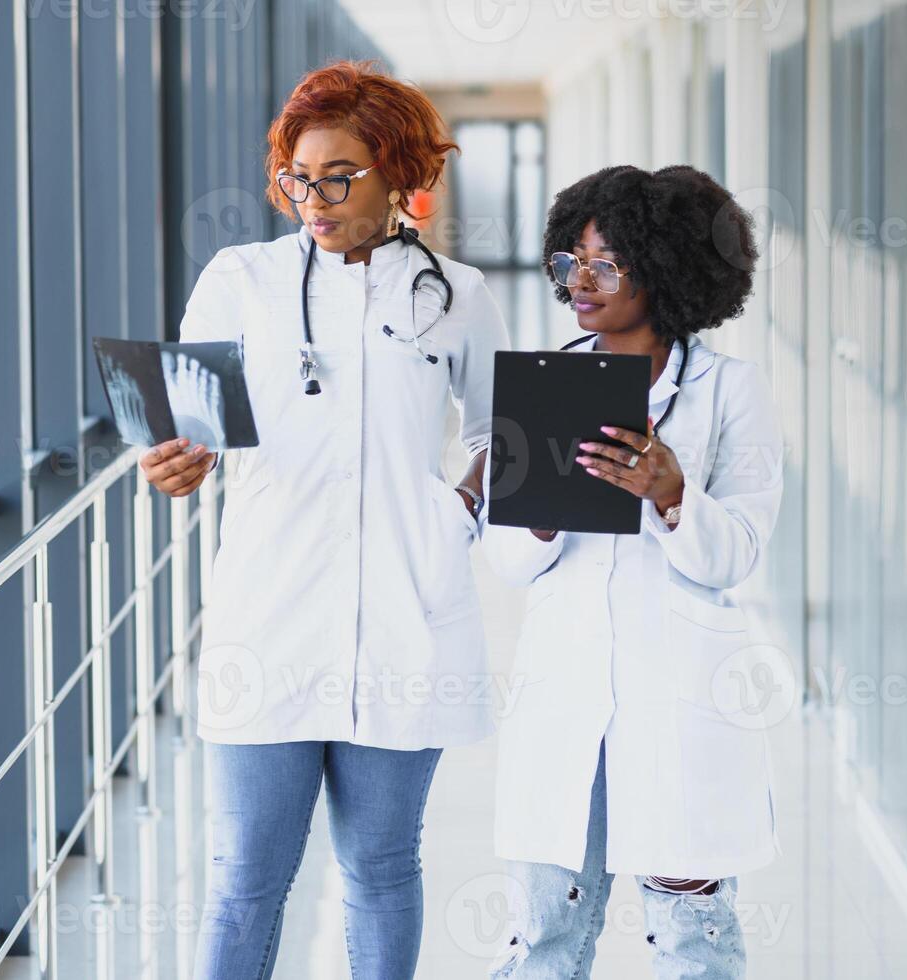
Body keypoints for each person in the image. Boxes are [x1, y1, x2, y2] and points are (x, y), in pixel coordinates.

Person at [138, 60, 510, 979]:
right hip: (269, 617)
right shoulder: (243, 278)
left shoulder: (456, 295)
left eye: (339, 175)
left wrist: (457, 510)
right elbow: (188, 426)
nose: (314, 196)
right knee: (245, 880)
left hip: (404, 618)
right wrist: (178, 463)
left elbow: (508, 433)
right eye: (299, 177)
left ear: (396, 174)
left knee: (382, 870)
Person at [480, 165, 785, 979]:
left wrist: (674, 492)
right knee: (543, 937)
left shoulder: (732, 392)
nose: (580, 282)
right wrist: (540, 514)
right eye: (569, 262)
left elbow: (739, 553)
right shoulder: (542, 383)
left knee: (692, 937)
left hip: (681, 695)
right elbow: (507, 562)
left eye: (606, 264)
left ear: (669, 270)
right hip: (564, 690)